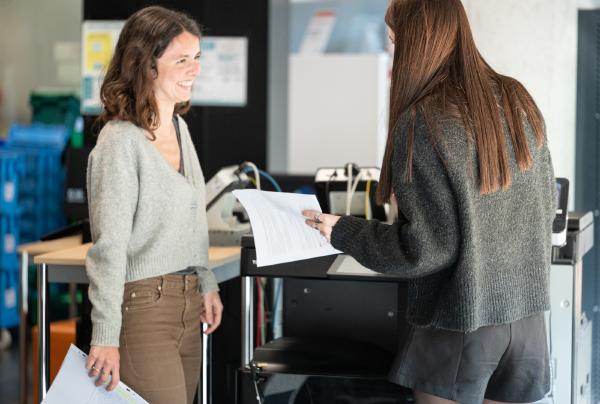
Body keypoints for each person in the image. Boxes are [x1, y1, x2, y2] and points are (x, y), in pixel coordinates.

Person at [303, 0, 555, 403]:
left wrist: (343, 231)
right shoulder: (515, 98)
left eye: (392, 40)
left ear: (417, 42)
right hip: (526, 326)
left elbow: (425, 250)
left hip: (461, 324)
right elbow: (546, 202)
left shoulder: (424, 119)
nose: (391, 52)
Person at [84, 6, 223, 403]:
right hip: (143, 305)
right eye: (182, 60)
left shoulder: (180, 128)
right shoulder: (119, 142)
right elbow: (108, 249)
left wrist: (206, 282)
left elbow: (193, 220)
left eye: (197, 58)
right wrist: (105, 335)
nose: (194, 69)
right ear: (146, 65)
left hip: (188, 302)